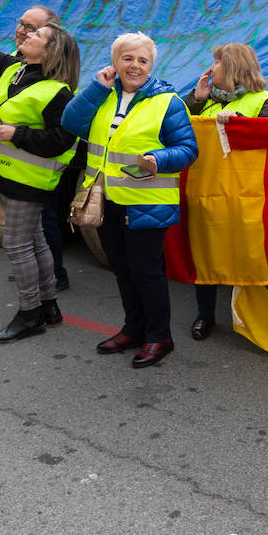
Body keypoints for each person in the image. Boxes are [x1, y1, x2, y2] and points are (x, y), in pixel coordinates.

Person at [61, 33, 198, 368]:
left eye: (142, 60)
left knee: (146, 272)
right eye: (128, 58)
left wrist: (159, 158)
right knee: (122, 269)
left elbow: (188, 150)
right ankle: (133, 329)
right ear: (115, 62)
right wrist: (95, 87)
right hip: (105, 199)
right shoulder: (103, 95)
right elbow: (69, 122)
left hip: (145, 204)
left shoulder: (168, 102)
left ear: (151, 66)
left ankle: (159, 337)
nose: (135, 66)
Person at [0, 0, 80, 344]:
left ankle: (30, 314)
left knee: (17, 244)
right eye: (26, 29)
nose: (25, 34)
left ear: (50, 51)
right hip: (12, 171)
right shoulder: (17, 70)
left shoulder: (58, 91)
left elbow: (63, 140)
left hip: (30, 177)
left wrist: (17, 134)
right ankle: (48, 307)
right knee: (34, 240)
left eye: (35, 33)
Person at [183, 42, 268, 340]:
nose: (212, 68)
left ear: (234, 66)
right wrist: (195, 101)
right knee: (206, 252)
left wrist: (244, 127)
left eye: (218, 63)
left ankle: (251, 316)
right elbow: (176, 129)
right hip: (206, 190)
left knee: (248, 253)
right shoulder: (208, 100)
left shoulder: (264, 100)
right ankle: (205, 314)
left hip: (246, 192)